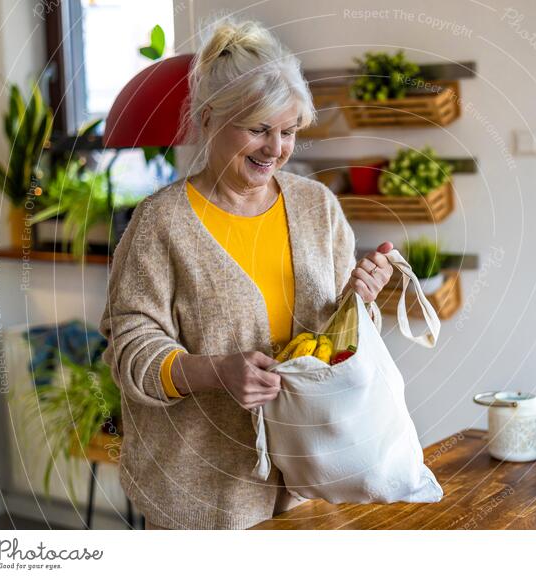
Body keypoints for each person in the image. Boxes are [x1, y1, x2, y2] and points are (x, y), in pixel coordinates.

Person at [99, 17, 394, 530]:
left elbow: (341, 345)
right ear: (210, 118)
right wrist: (216, 372)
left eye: (288, 131)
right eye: (257, 129)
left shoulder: (317, 208)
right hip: (201, 497)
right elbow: (129, 350)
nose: (275, 148)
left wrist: (359, 302)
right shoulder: (161, 222)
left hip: (309, 482)